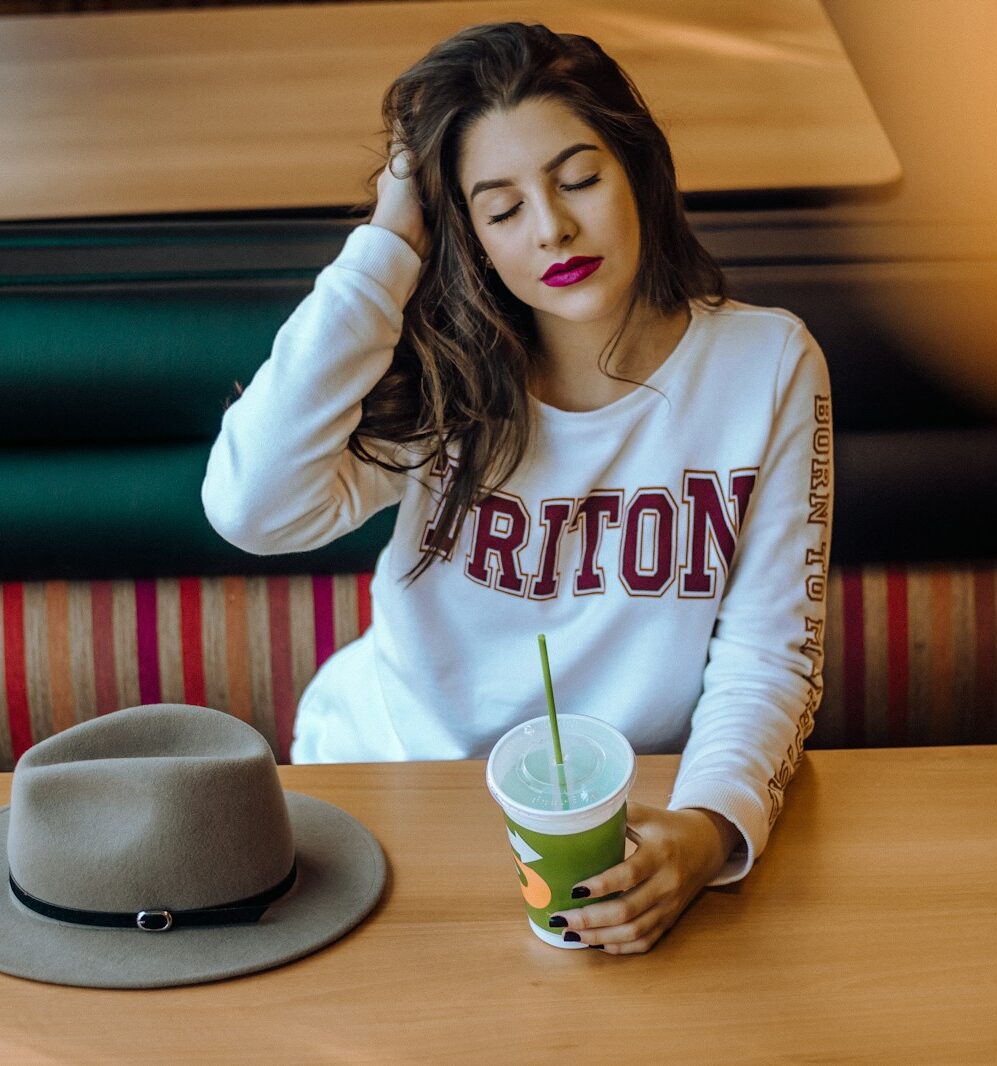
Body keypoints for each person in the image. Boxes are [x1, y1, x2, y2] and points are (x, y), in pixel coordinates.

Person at [203, 21, 833, 955]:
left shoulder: (766, 363)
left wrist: (708, 830)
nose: (552, 229)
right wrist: (385, 245)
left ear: (638, 172)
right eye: (500, 209)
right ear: (466, 236)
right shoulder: (445, 373)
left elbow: (768, 656)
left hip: (628, 800)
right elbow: (253, 510)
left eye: (578, 178)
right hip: (393, 779)